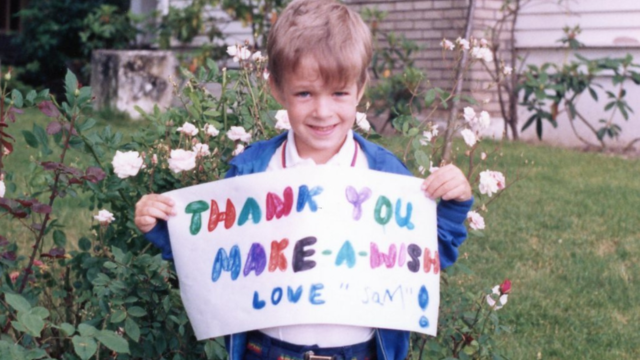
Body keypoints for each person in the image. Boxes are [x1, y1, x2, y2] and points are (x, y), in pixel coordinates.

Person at [134, 1, 473, 360]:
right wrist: (164, 225)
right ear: (277, 89)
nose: (323, 111)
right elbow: (216, 258)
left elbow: (429, 256)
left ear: (360, 89)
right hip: (265, 350)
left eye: (339, 92)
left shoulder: (384, 173)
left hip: (358, 353)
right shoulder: (252, 171)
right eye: (305, 93)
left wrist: (452, 204)